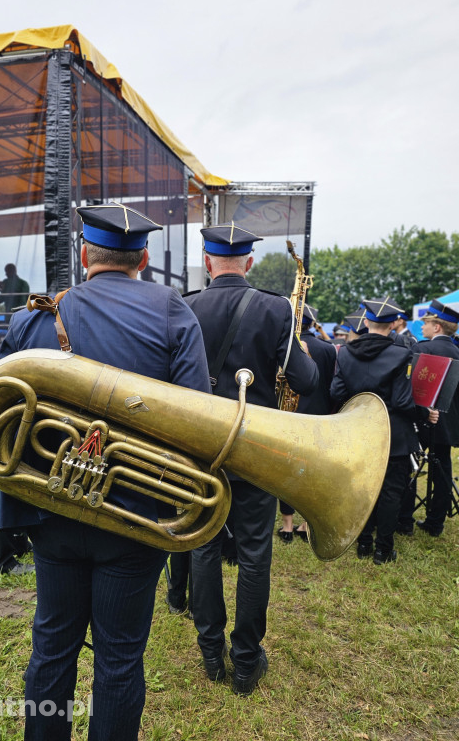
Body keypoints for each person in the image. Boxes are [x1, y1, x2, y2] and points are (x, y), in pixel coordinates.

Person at [0, 202, 210, 741]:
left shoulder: (34, 317)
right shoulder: (172, 310)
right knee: (119, 660)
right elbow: (199, 425)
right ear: (141, 257)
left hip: (52, 517)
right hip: (135, 521)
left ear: (85, 254)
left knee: (51, 647)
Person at [184, 224, 319, 695]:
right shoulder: (274, 307)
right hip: (255, 451)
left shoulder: (185, 305)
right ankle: (245, 661)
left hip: (199, 450)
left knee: (202, 547)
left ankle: (209, 651)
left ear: (206, 261)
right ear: (250, 263)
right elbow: (304, 379)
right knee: (255, 555)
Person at [330, 296, 438, 564]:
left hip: (358, 431)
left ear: (366, 322)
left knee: (362, 490)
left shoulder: (344, 352)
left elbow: (336, 393)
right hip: (394, 434)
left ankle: (363, 543)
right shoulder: (402, 354)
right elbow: (402, 401)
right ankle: (383, 550)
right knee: (391, 491)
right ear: (394, 324)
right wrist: (425, 413)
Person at [398, 299, 459, 537]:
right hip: (448, 425)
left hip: (423, 420)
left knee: (408, 468)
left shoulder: (423, 349)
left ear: (437, 327)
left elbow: (411, 387)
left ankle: (404, 521)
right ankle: (435, 523)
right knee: (442, 471)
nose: (422, 327)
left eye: (427, 323)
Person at [278, 303, 337, 543]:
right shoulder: (329, 349)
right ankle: (306, 523)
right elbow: (333, 387)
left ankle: (287, 525)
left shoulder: (284, 347)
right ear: (313, 324)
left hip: (289, 415)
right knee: (313, 472)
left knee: (287, 471)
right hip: (320, 418)